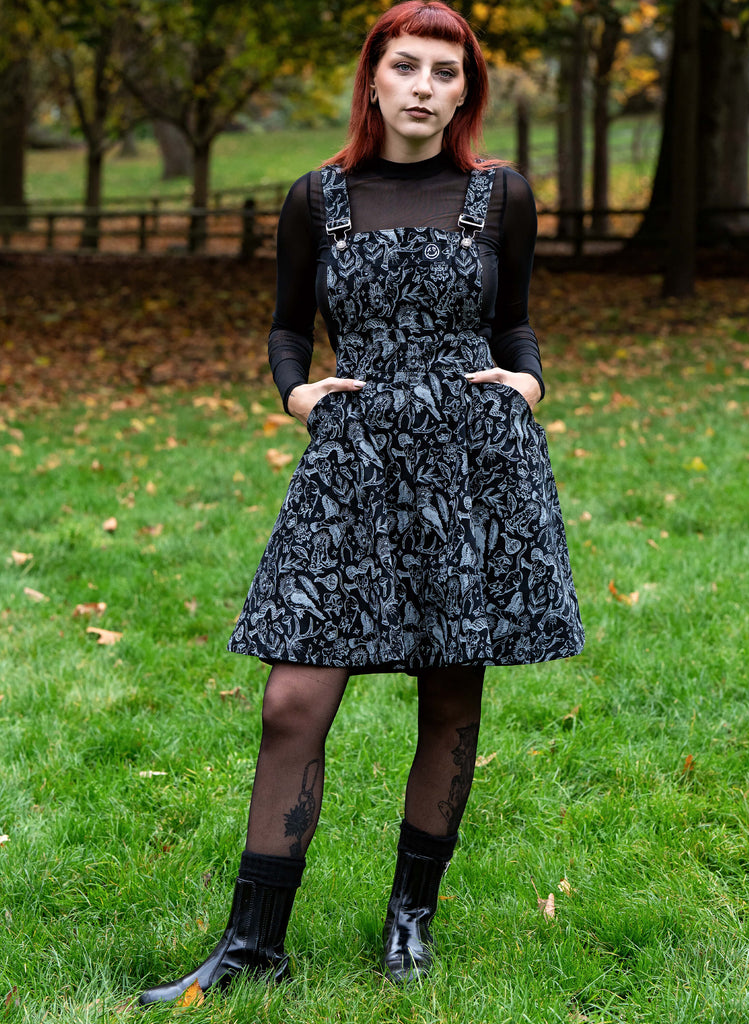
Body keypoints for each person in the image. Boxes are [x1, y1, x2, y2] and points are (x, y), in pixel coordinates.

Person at [137, 0, 583, 1004]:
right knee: (293, 697)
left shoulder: (499, 195)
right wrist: (295, 390)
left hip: (474, 461)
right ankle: (254, 945)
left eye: (447, 73)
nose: (426, 88)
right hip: (354, 458)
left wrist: (531, 382)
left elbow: (514, 322)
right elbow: (287, 324)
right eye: (408, 68)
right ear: (372, 77)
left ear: (466, 89)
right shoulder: (319, 196)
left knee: (451, 691)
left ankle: (410, 922)